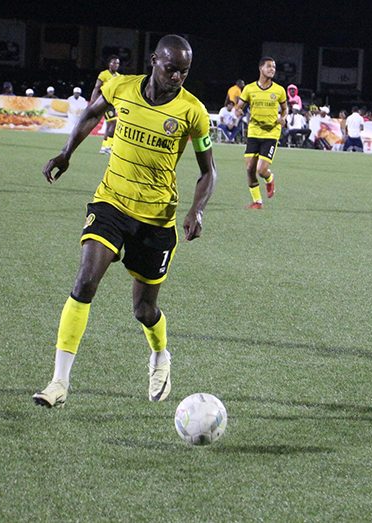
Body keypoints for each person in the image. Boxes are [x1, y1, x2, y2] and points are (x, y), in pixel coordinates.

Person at [33, 34, 217, 408]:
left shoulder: (192, 112)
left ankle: (160, 356)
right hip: (111, 202)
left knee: (143, 310)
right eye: (171, 69)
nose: (177, 77)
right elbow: (91, 113)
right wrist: (67, 153)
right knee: (85, 282)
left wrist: (197, 209)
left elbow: (208, 171)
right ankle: (58, 383)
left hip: (156, 219)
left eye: (184, 71)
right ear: (153, 60)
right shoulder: (121, 87)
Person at [235, 57, 287, 209]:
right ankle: (257, 202)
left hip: (271, 133)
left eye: (274, 67)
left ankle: (269, 178)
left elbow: (284, 109)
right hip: (254, 131)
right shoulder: (250, 89)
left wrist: (283, 118)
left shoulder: (279, 90)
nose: (272, 69)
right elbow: (239, 106)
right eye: (269, 66)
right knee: (250, 169)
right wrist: (238, 111)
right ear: (261, 69)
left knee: (261, 169)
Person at [92, 55, 121, 154]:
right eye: (114, 63)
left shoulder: (118, 76)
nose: (116, 65)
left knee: (110, 125)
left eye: (117, 63)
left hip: (113, 104)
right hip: (105, 102)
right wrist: (93, 101)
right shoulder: (104, 74)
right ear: (109, 64)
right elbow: (97, 88)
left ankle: (104, 147)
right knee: (113, 123)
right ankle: (108, 146)